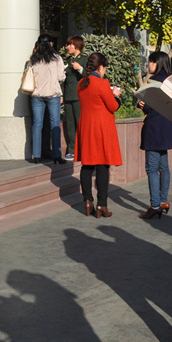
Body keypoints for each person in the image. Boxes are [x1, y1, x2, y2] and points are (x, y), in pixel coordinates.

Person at [75, 52, 123, 218]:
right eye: (105, 68)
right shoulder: (102, 83)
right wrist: (115, 95)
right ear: (101, 67)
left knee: (87, 165)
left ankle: (87, 201)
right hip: (101, 127)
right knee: (103, 165)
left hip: (86, 126)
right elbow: (113, 106)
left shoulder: (81, 83)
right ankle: (102, 204)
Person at [137, 51, 172, 219]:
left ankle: (155, 205)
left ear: (157, 63)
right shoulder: (170, 81)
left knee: (152, 168)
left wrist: (142, 105)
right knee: (164, 167)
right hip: (167, 127)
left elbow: (151, 107)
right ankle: (163, 201)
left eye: (150, 61)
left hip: (154, 128)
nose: (148, 65)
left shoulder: (154, 82)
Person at [28, 34, 66, 164]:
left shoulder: (34, 59)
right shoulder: (57, 58)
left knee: (37, 124)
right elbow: (61, 77)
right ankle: (57, 155)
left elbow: (30, 76)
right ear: (50, 44)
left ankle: (36, 155)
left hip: (37, 95)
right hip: (53, 94)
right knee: (55, 124)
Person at [62, 35, 87, 160]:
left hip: (79, 96)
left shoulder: (85, 58)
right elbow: (64, 81)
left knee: (80, 123)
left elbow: (90, 76)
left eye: (70, 44)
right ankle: (71, 150)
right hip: (68, 96)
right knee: (70, 124)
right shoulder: (69, 60)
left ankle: (83, 150)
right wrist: (62, 95)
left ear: (77, 46)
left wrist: (80, 69)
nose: (68, 47)